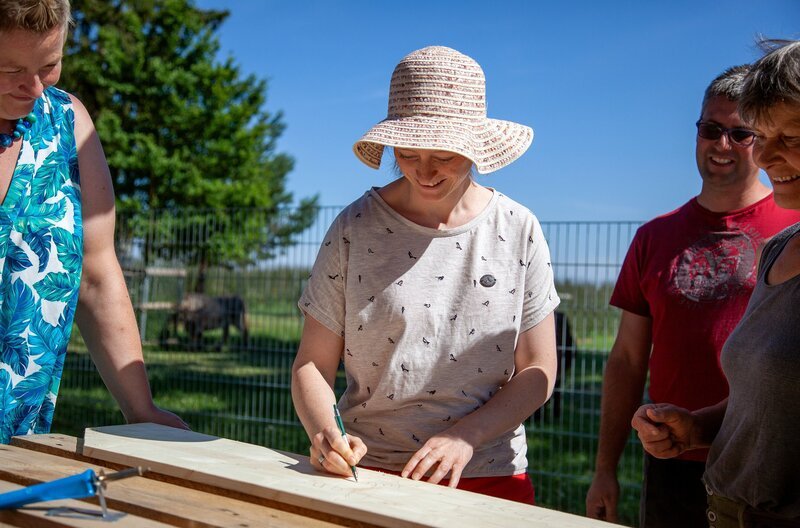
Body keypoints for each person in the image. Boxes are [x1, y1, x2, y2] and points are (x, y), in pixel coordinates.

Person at [291, 46, 559, 505]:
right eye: (409, 153)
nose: (425, 170)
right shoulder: (355, 227)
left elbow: (538, 369)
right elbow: (311, 364)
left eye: (444, 156)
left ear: (475, 147)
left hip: (488, 475)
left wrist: (465, 437)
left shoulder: (517, 228)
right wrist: (325, 434)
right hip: (367, 473)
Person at [585, 65, 800, 526]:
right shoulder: (654, 237)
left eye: (741, 133)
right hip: (676, 458)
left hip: (772, 473)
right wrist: (605, 468)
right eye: (711, 129)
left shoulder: (788, 225)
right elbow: (626, 359)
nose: (723, 145)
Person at [0, 0, 187, 443]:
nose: (33, 88)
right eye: (8, 69)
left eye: (49, 64)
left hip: (16, 442)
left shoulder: (66, 122)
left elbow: (97, 275)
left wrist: (140, 408)